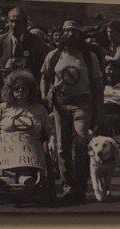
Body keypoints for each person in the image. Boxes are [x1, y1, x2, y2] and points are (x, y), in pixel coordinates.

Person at [40, 20, 104, 199]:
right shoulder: (54, 56)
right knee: (62, 146)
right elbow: (44, 77)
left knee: (82, 142)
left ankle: (81, 186)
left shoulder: (89, 57)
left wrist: (100, 110)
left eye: (75, 32)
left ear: (80, 35)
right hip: (60, 104)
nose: (71, 36)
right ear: (62, 35)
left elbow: (98, 84)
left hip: (82, 104)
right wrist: (45, 95)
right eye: (67, 32)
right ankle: (68, 186)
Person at [0, 70, 53, 144]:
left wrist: (52, 141)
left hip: (33, 152)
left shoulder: (40, 110)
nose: (20, 90)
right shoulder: (3, 107)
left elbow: (51, 130)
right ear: (10, 90)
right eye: (16, 88)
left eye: (24, 88)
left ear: (30, 90)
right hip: (5, 150)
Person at [0, 7, 48, 77]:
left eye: (18, 22)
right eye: (11, 21)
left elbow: (40, 71)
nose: (14, 25)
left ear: (25, 24)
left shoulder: (36, 42)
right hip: (5, 86)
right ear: (7, 22)